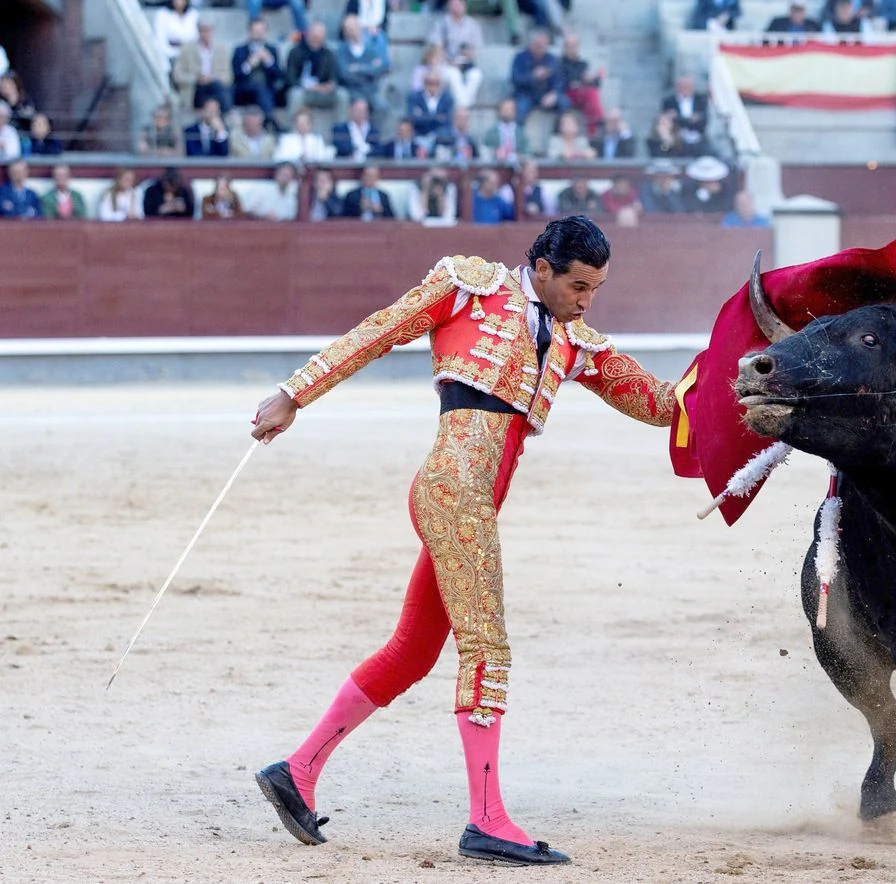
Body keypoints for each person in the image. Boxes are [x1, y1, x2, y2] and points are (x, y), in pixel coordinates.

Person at [250, 216, 676, 865]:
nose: (588, 300)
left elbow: (657, 401)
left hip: (475, 500)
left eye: (597, 288)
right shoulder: (469, 288)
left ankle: (298, 771)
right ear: (541, 270)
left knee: (412, 652)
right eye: (580, 286)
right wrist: (293, 394)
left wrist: (740, 386)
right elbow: (379, 331)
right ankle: (487, 820)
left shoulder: (573, 340)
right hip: (455, 491)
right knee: (486, 644)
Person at [286, 22, 349, 118]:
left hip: (323, 92)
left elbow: (334, 76)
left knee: (342, 95)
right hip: (304, 91)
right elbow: (291, 78)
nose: (317, 40)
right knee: (295, 95)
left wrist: (330, 85)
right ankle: (294, 130)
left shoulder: (328, 54)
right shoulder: (296, 52)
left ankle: (341, 129)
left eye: (320, 37)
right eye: (315, 36)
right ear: (308, 35)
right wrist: (307, 86)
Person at [232, 18, 284, 128]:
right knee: (260, 88)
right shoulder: (240, 50)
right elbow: (236, 75)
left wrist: (269, 61)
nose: (259, 34)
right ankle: (270, 120)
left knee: (266, 89)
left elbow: (279, 75)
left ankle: (269, 119)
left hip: (267, 89)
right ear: (250, 32)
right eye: (256, 31)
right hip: (245, 89)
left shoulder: (272, 49)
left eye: (262, 31)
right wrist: (249, 65)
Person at [510, 29, 568, 123]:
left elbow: (560, 81)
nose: (541, 48)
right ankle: (518, 134)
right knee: (521, 107)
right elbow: (515, 79)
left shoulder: (551, 59)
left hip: (546, 93)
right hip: (526, 94)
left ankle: (558, 132)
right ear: (531, 44)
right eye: (538, 45)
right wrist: (533, 76)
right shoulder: (520, 57)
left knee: (565, 103)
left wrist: (554, 93)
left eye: (544, 45)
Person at [174, 21, 233, 111]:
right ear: (198, 32)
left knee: (217, 86)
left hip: (215, 86)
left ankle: (223, 112)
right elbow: (178, 75)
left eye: (208, 31)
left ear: (213, 32)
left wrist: (213, 78)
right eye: (202, 31)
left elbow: (228, 77)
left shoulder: (221, 50)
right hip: (195, 87)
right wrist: (197, 78)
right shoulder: (186, 49)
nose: (205, 34)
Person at [337, 13, 391, 107]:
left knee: (383, 107)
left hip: (370, 90)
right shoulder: (342, 50)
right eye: (348, 29)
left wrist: (357, 68)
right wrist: (369, 71)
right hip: (351, 90)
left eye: (354, 27)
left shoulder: (370, 49)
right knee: (360, 105)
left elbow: (381, 68)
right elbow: (345, 73)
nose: (352, 31)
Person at [558, 33, 604, 136]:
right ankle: (598, 123)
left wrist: (592, 78)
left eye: (574, 46)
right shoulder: (559, 63)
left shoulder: (583, 64)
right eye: (569, 46)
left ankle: (593, 130)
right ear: (564, 48)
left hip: (582, 94)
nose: (571, 49)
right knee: (591, 94)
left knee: (592, 95)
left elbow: (596, 84)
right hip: (567, 94)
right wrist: (581, 80)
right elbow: (565, 82)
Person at [406, 70, 455, 150]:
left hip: (441, 137)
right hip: (420, 134)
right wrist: (437, 118)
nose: (432, 86)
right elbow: (412, 118)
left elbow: (448, 119)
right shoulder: (414, 97)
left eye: (436, 82)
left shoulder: (447, 98)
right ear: (424, 83)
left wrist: (423, 117)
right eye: (429, 82)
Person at [661, 76, 709, 154]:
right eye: (682, 87)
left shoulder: (701, 101)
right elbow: (668, 122)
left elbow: (703, 122)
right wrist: (690, 120)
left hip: (698, 139)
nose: (684, 89)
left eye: (687, 87)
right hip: (676, 139)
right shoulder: (669, 102)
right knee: (664, 148)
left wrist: (679, 118)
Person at [154, 0, 199, 67]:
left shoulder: (193, 14)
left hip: (190, 57)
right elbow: (160, 41)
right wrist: (175, 54)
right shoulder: (162, 14)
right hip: (170, 57)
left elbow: (196, 37)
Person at [482, 98, 527, 163]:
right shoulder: (491, 133)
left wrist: (519, 156)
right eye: (505, 109)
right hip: (496, 165)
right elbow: (485, 151)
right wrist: (495, 153)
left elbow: (528, 152)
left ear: (514, 112)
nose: (507, 112)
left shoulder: (521, 132)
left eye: (510, 110)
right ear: (499, 112)